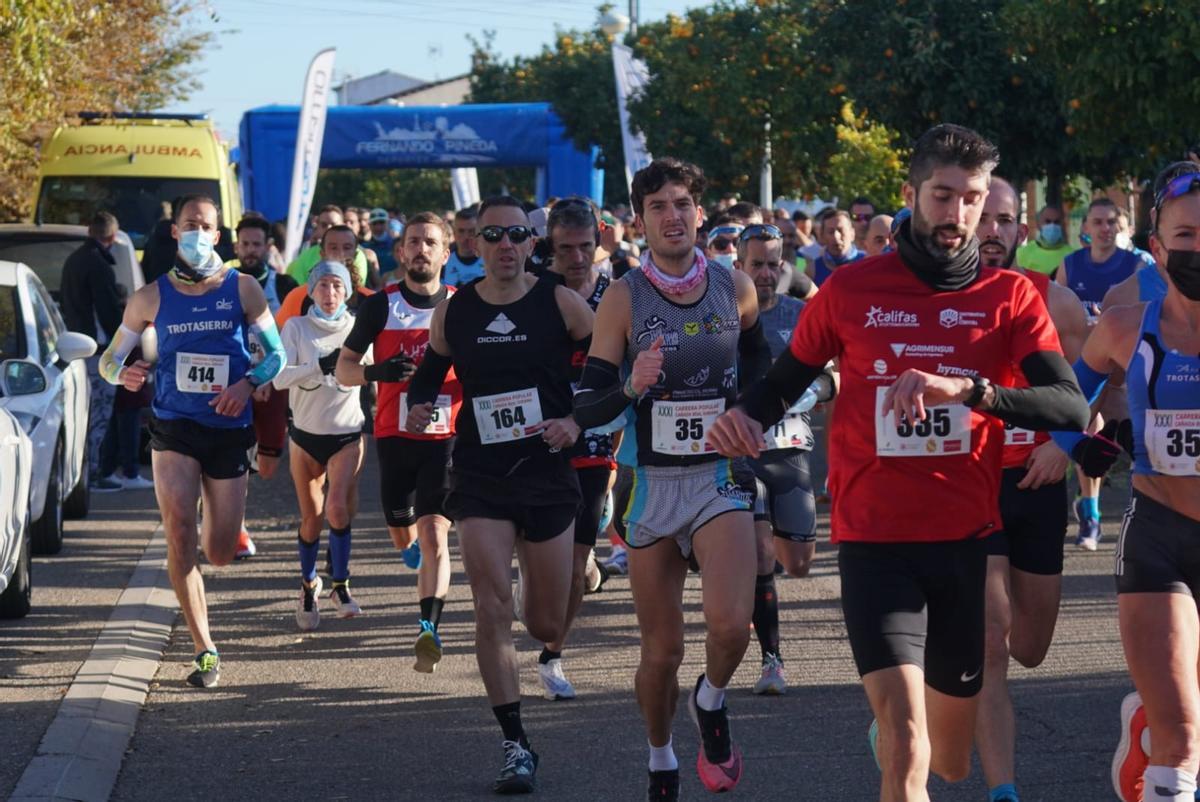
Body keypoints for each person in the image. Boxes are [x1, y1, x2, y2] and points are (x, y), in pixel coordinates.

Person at [707, 124, 1089, 801]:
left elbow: (1069, 407)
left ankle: (895, 733)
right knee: (911, 743)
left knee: (950, 760)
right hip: (874, 540)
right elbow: (784, 381)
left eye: (972, 199)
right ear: (911, 195)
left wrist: (971, 391)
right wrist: (743, 417)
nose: (957, 214)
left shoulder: (1010, 297)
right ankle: (896, 733)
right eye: (943, 195)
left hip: (965, 542)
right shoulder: (851, 290)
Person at [574, 157, 770, 801]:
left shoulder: (734, 286)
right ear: (639, 221)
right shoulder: (623, 298)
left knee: (732, 625)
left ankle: (710, 700)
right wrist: (632, 385)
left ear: (700, 213)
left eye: (682, 203)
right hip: (651, 483)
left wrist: (755, 412)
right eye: (658, 206)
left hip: (719, 475)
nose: (673, 216)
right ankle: (661, 755)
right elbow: (589, 405)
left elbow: (762, 365)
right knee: (662, 654)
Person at [403, 196, 593, 793]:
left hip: (548, 472)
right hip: (481, 474)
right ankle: (515, 743)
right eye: (492, 236)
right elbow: (428, 377)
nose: (505, 245)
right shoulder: (454, 312)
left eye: (515, 235)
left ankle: (538, 586)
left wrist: (578, 421)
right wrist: (419, 404)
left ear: (531, 243)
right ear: (474, 244)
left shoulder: (559, 302)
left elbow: (608, 368)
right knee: (491, 608)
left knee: (543, 622)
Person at [1052, 163, 1200, 802]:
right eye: (1186, 236)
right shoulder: (1123, 326)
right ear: (1158, 249)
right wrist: (1078, 445)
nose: (1199, 249)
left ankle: (1145, 723)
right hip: (1159, 537)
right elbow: (1059, 402)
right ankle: (1160, 740)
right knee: (1183, 739)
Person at [97, 194, 286, 688]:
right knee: (179, 530)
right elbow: (108, 361)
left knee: (219, 551)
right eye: (190, 224)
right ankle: (205, 648)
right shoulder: (150, 297)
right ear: (176, 232)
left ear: (217, 236)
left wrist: (246, 384)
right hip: (173, 427)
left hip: (229, 429)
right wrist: (124, 373)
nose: (198, 232)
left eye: (206, 226)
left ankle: (219, 530)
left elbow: (277, 356)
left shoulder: (244, 289)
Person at [973, 177, 1088, 802]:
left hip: (1038, 483)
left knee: (1031, 649)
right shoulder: (939, 302)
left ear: (1022, 229)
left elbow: (1098, 387)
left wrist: (1063, 445)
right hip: (970, 484)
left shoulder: (1056, 302)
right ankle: (1004, 789)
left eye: (1005, 220)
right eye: (984, 218)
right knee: (990, 643)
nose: (993, 231)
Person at [336, 212, 458, 672]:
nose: (421, 249)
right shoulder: (380, 306)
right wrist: (376, 372)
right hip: (394, 436)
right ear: (401, 252)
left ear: (445, 253)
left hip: (446, 439)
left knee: (436, 536)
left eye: (430, 242)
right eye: (414, 241)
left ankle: (429, 629)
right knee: (403, 530)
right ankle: (413, 554)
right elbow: (343, 370)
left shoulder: (460, 305)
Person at [735, 223, 833, 697]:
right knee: (760, 555)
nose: (767, 274)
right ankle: (771, 660)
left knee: (796, 563)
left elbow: (835, 376)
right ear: (739, 266)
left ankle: (750, 585)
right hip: (743, 454)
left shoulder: (802, 314)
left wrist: (809, 392)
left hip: (791, 449)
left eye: (774, 265)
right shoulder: (724, 314)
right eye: (757, 265)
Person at [531, 197, 619, 701]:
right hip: (537, 433)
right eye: (565, 249)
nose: (577, 258)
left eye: (586, 246)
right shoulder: (533, 291)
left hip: (595, 435)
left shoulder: (617, 294)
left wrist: (616, 463)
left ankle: (552, 656)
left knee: (574, 560)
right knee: (543, 559)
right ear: (550, 246)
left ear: (599, 241)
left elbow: (626, 378)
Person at [274, 261, 367, 629]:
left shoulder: (358, 326)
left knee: (338, 509)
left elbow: (371, 372)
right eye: (323, 286)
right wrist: (319, 365)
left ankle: (340, 586)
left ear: (347, 291)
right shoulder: (296, 327)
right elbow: (279, 379)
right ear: (311, 291)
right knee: (311, 518)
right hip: (306, 437)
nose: (330, 293)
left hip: (347, 434)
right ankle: (309, 584)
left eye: (337, 286)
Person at [1058, 198, 1144, 549]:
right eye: (1098, 222)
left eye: (1111, 222)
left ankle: (1144, 505)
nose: (1105, 228)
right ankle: (1091, 514)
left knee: (1134, 437)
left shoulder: (1137, 265)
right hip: (1085, 363)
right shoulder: (1070, 265)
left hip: (1123, 368)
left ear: (1121, 227)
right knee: (1089, 430)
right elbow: (1059, 316)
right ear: (1086, 228)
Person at [230, 215, 300, 558]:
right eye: (245, 244)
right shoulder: (224, 283)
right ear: (236, 246)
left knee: (268, 466)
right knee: (233, 459)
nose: (250, 250)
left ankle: (226, 497)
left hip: (274, 384)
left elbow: (296, 335)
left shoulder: (284, 284)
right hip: (234, 383)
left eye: (256, 244)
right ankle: (234, 524)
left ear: (268, 247)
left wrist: (271, 377)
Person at [60, 210, 127, 493]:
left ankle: (78, 472)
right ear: (112, 237)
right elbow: (108, 311)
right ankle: (94, 473)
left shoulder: (73, 260)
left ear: (90, 231)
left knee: (80, 413)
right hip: (98, 352)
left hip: (75, 349)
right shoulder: (99, 266)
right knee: (99, 413)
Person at [286, 205, 370, 287]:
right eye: (324, 225)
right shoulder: (305, 256)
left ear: (342, 225)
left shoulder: (357, 254)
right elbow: (298, 289)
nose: (328, 228)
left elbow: (356, 287)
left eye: (333, 225)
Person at [808, 210, 865, 286]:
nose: (836, 236)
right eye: (831, 232)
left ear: (852, 233)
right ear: (822, 236)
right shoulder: (812, 269)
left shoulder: (867, 262)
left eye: (841, 230)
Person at [1016, 205, 1073, 277]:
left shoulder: (1072, 255)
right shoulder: (1022, 254)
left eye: (1056, 222)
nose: (1052, 226)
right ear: (1038, 224)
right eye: (1048, 222)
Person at [443, 205, 483, 286]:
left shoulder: (490, 259)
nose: (466, 237)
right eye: (461, 231)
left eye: (471, 231)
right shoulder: (443, 262)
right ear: (454, 233)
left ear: (479, 232)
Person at [364, 208, 397, 274]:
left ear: (388, 223)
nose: (378, 227)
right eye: (374, 223)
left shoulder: (396, 246)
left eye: (382, 222)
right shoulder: (364, 248)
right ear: (369, 225)